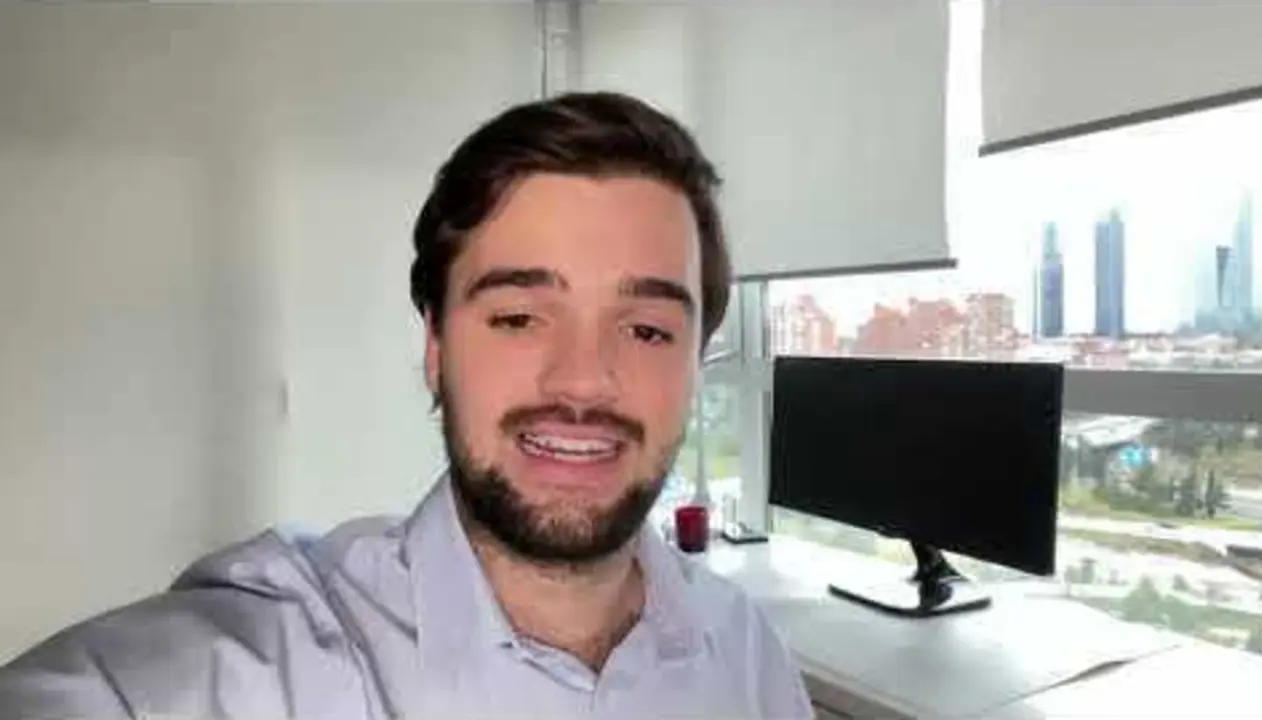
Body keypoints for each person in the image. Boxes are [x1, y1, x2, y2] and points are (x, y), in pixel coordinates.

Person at [0, 91, 812, 719]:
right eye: (518, 318)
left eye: (645, 330)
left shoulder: (747, 657)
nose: (582, 382)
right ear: (436, 347)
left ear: (696, 362)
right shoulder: (261, 664)